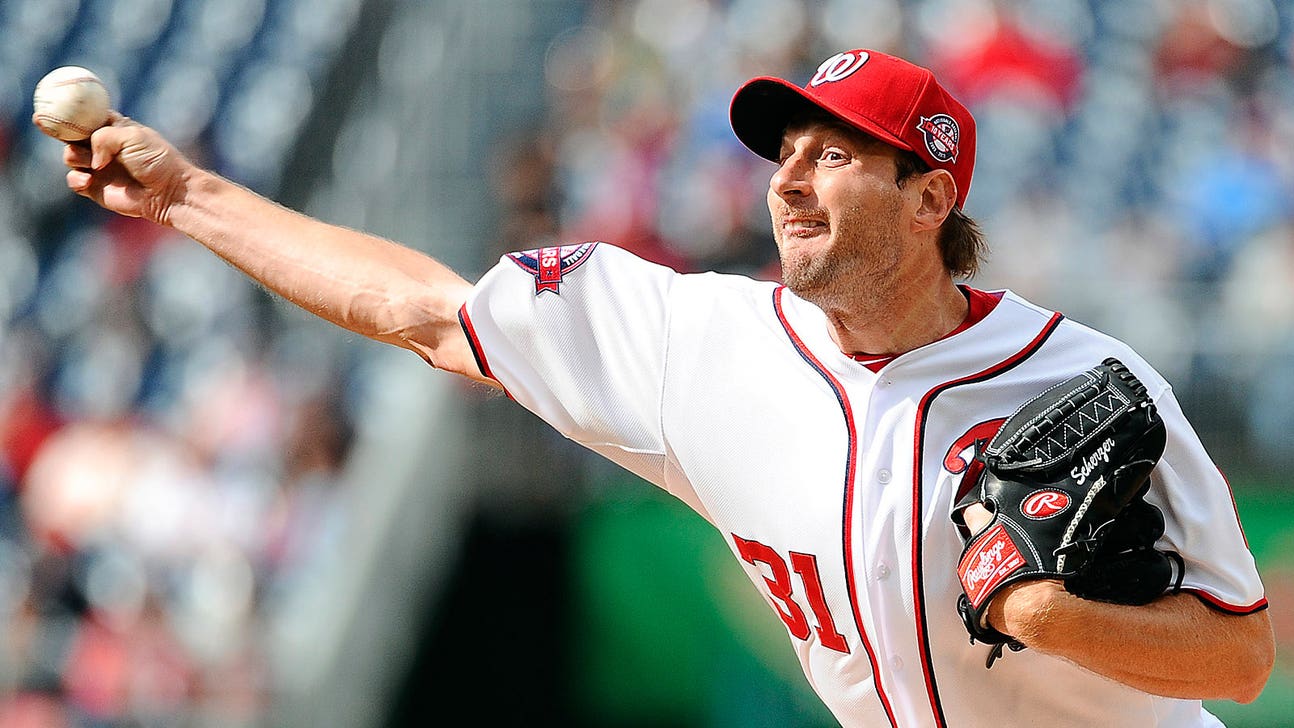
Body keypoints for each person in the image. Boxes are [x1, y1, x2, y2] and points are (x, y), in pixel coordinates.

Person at [50, 48, 1273, 727]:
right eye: (780, 153)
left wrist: (1055, 618)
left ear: (929, 197)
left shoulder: (1090, 383)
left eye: (831, 154)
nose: (787, 181)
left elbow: (1242, 657)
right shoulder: (698, 339)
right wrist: (187, 197)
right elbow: (423, 309)